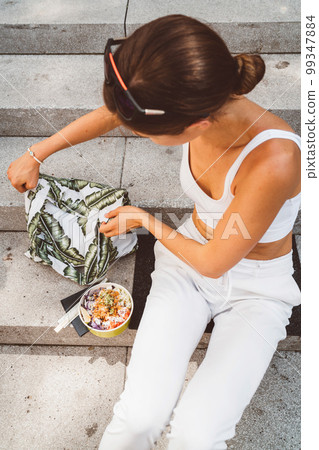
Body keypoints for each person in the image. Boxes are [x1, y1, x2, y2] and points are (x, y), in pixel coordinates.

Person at [7, 14, 301, 450]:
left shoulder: (276, 159)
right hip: (186, 265)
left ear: (197, 124)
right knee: (138, 419)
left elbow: (217, 260)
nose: (131, 132)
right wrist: (38, 151)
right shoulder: (189, 92)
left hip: (256, 290)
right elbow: (114, 114)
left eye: (144, 131)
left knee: (196, 436)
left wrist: (144, 220)